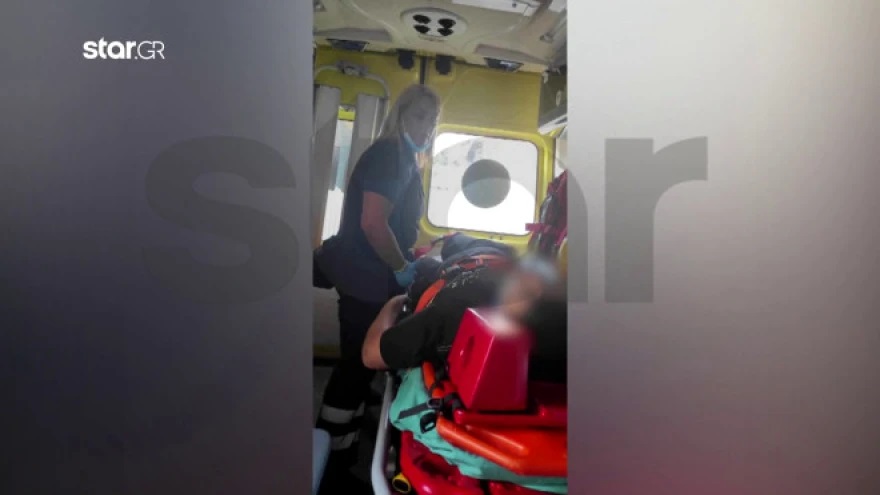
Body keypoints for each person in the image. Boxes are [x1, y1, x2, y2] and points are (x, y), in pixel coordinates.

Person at [313, 84, 441, 493]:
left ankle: (347, 445)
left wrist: (409, 254)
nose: (427, 126)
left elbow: (395, 222)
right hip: (364, 278)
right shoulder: (390, 155)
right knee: (353, 367)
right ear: (399, 115)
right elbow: (373, 223)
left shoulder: (405, 159)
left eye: (432, 119)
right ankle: (331, 462)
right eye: (419, 115)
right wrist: (402, 267)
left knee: (359, 367)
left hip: (371, 278)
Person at [362, 254, 567, 385]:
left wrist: (394, 303)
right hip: (483, 259)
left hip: (459, 264)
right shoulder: (566, 319)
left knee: (427, 263)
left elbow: (371, 355)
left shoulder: (446, 316)